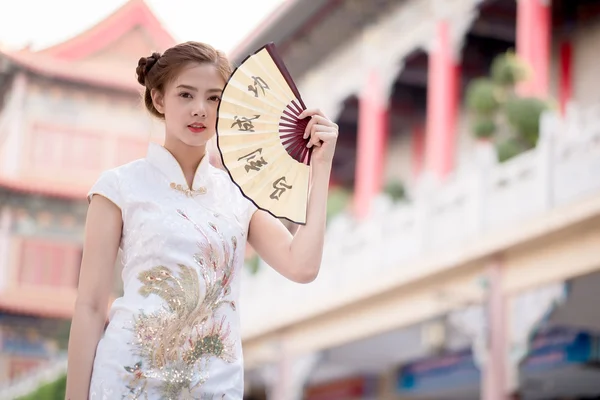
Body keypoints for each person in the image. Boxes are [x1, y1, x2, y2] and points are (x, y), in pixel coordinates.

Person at [65, 41, 338, 399]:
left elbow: (302, 266)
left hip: (213, 386)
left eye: (214, 98)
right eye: (186, 95)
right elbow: (89, 306)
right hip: (128, 380)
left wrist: (321, 167)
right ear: (159, 99)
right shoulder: (119, 187)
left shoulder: (238, 195)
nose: (200, 110)